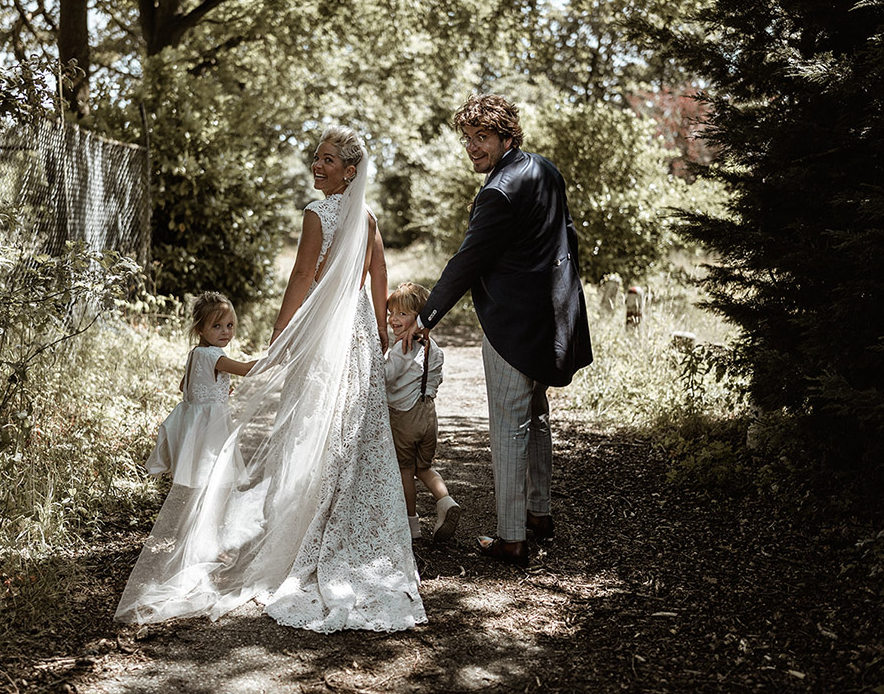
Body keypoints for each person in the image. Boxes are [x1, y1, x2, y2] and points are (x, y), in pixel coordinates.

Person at [115, 125, 425, 633]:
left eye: (327, 160)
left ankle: (314, 519)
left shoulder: (317, 213)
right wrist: (380, 333)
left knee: (315, 419)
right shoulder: (366, 217)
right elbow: (380, 276)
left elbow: (302, 277)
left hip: (325, 332)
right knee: (350, 424)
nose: (316, 165)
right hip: (359, 332)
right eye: (316, 157)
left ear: (350, 170)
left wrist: (282, 335)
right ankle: (341, 518)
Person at [400, 94, 592, 569]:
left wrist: (425, 317)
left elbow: (468, 260)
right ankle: (539, 515)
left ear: (508, 135)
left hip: (513, 327)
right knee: (537, 413)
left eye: (482, 137)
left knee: (509, 427)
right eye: (467, 139)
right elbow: (567, 237)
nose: (472, 147)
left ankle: (511, 540)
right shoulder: (544, 170)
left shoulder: (497, 191)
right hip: (554, 318)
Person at [146, 292, 258, 488]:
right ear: (200, 329)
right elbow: (246, 369)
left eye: (229, 325)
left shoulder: (195, 353)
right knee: (212, 465)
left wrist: (215, 389)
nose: (225, 332)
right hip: (210, 421)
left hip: (192, 419)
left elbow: (185, 385)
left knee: (196, 465)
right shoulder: (213, 355)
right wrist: (275, 358)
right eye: (217, 326)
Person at [384, 282, 460, 542]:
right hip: (429, 415)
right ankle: (445, 500)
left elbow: (385, 378)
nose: (394, 319)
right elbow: (436, 380)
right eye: (391, 313)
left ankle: (411, 525)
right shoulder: (435, 349)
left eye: (403, 314)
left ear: (419, 317)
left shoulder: (402, 349)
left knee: (406, 470)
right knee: (424, 467)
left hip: (405, 417)